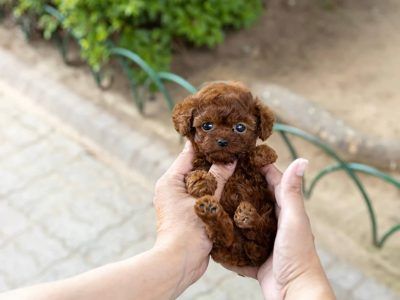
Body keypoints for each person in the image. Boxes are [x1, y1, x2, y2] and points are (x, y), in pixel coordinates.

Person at [0, 141, 335, 300]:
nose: (222, 138)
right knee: (224, 224)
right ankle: (219, 222)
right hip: (241, 249)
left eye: (238, 129)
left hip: (261, 238)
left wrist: (177, 256)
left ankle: (232, 224)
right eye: (207, 128)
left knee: (251, 218)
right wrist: (300, 279)